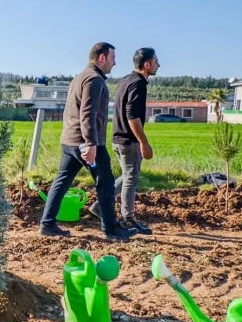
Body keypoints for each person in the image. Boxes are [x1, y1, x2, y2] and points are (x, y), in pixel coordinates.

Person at [38, 43, 137, 241]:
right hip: (87, 141)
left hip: (70, 140)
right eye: (113, 58)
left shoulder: (79, 77)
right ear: (102, 58)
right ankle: (111, 229)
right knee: (106, 182)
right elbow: (87, 113)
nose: (114, 63)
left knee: (62, 181)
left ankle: (47, 224)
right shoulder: (94, 79)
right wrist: (91, 143)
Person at [88, 47, 158, 234]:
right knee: (131, 179)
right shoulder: (138, 84)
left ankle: (99, 206)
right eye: (156, 61)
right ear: (147, 64)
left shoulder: (126, 80)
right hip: (128, 140)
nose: (158, 65)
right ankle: (128, 219)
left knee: (127, 176)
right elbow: (132, 115)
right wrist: (143, 142)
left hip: (117, 138)